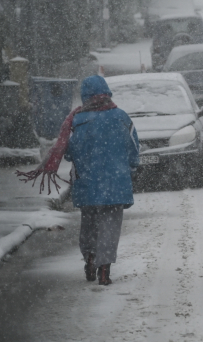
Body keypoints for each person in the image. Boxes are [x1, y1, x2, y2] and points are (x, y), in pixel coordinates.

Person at [64, 75, 140, 285]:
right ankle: (104, 268)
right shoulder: (122, 117)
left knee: (89, 223)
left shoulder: (76, 121)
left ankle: (89, 258)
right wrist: (131, 167)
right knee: (110, 225)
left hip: (86, 183)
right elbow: (133, 149)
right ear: (107, 93)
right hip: (116, 183)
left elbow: (69, 153)